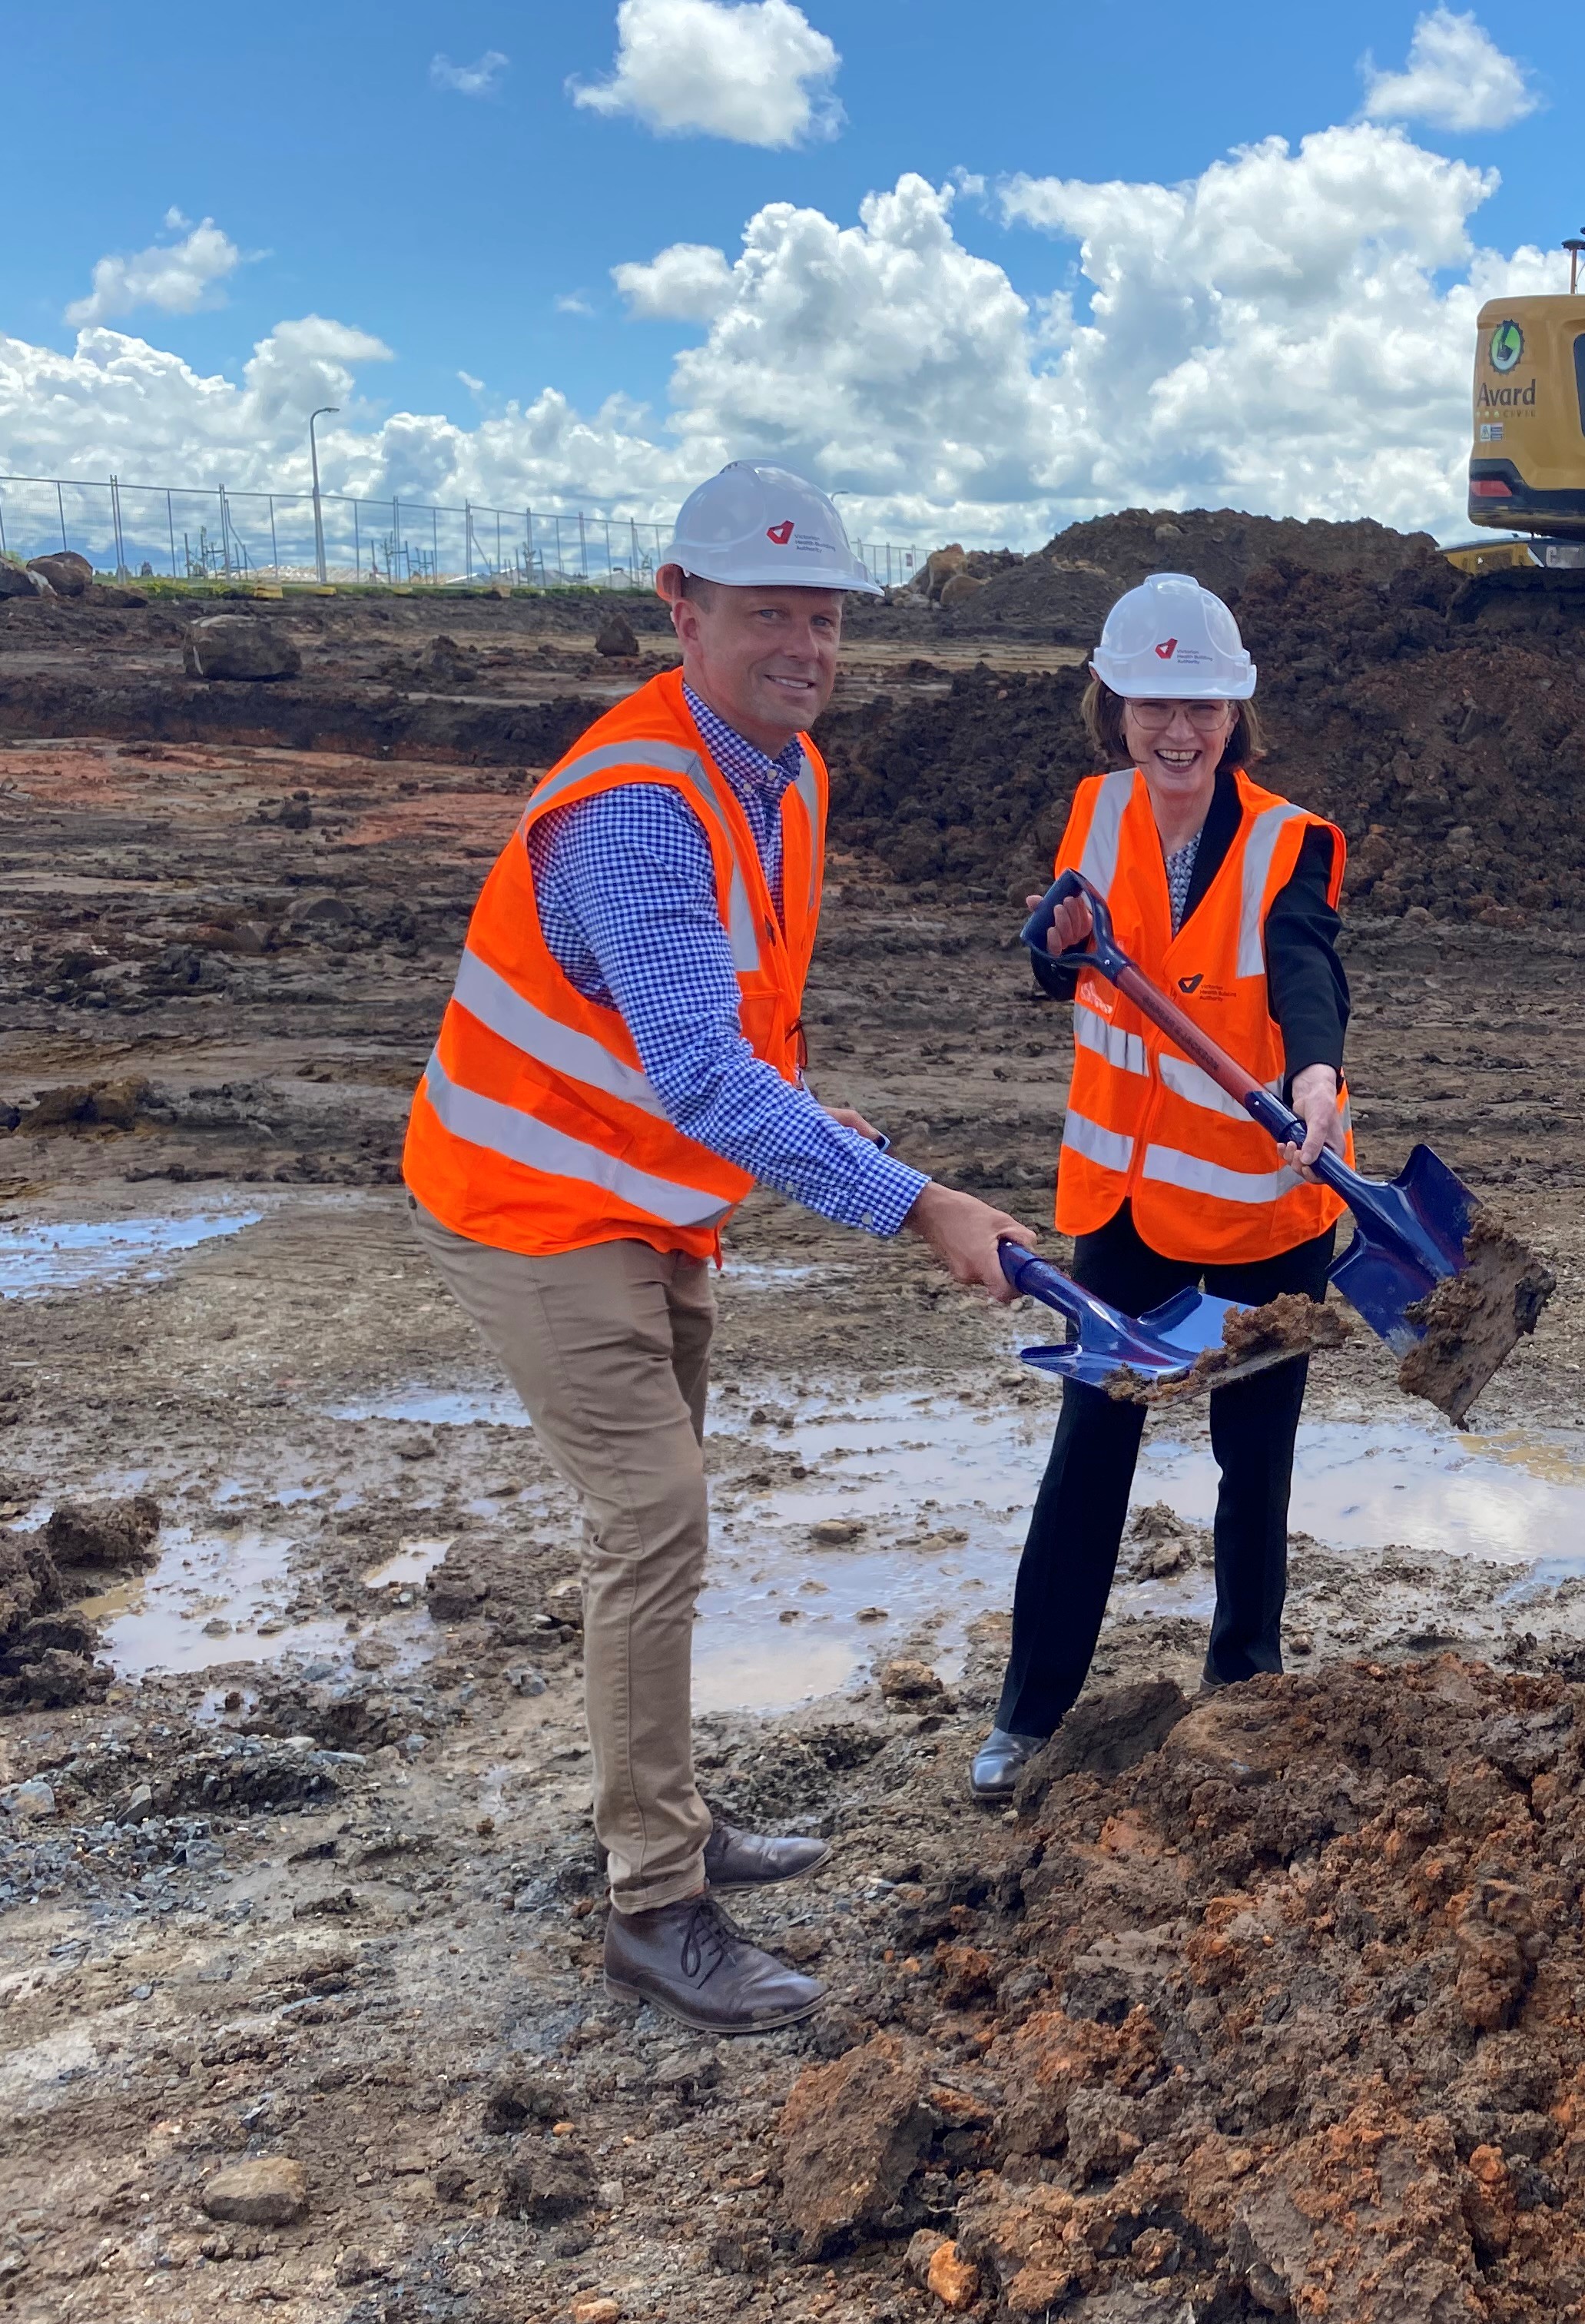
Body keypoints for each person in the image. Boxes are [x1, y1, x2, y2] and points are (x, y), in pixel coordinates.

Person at [404, 460, 1033, 2036]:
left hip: (651, 1199)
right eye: (769, 617)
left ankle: (668, 1822)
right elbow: (693, 1064)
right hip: (533, 1204)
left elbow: (737, 1036)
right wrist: (922, 1203)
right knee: (656, 1520)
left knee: (660, 1523)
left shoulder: (781, 774)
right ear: (682, 609)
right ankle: (653, 1906)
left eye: (823, 618)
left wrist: (834, 1129)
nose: (805, 647)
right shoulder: (640, 805)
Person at [970, 575, 1350, 1804]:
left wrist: (1318, 1073)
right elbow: (1051, 960)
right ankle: (1029, 1714)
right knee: (1090, 1448)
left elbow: (1304, 967)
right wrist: (1049, 944)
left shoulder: (1291, 839)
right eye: (1151, 707)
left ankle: (1246, 1691)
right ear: (1114, 705)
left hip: (1256, 1200)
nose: (1176, 734)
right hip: (1124, 1205)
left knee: (1257, 1456)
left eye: (1201, 709)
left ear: (1237, 714)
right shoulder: (1096, 812)